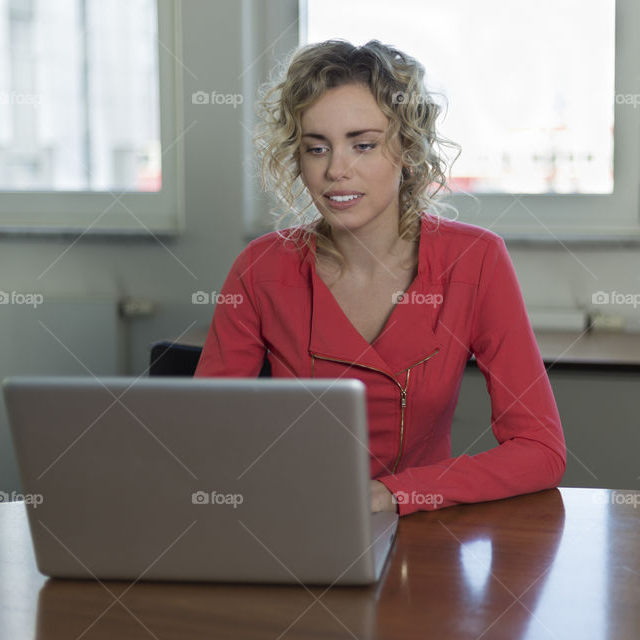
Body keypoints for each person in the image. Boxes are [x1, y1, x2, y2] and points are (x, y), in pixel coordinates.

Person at [194, 39, 565, 516]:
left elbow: (540, 450)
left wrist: (397, 493)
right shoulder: (260, 268)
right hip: (292, 521)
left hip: (424, 535)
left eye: (363, 145)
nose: (335, 170)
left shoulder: (474, 259)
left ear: (406, 149)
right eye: (316, 148)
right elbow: (205, 435)